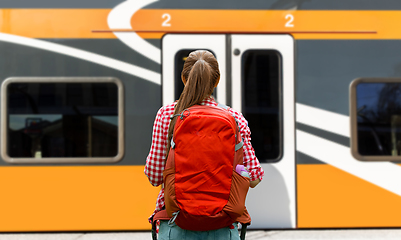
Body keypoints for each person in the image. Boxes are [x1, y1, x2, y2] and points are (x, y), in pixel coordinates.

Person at [145, 50, 264, 240]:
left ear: (184, 79)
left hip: (175, 222)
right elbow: (254, 177)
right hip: (223, 224)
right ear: (216, 82)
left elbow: (154, 175)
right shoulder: (235, 118)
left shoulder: (167, 115)